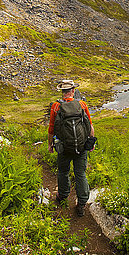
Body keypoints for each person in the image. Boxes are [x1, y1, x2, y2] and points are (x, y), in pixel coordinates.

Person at [48, 79, 95, 217]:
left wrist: (50, 144)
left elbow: (51, 129)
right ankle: (81, 204)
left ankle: (62, 196)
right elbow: (89, 125)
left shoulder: (56, 106)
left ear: (62, 92)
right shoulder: (81, 104)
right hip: (81, 146)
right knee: (80, 173)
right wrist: (90, 142)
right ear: (73, 91)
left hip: (64, 146)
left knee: (63, 171)